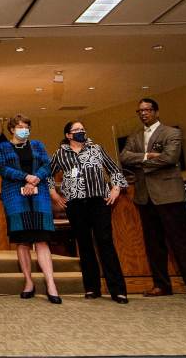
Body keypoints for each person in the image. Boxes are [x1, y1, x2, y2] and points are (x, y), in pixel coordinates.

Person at [120, 98, 186, 302]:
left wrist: (141, 162)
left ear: (156, 112)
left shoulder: (171, 132)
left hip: (169, 196)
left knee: (182, 242)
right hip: (145, 197)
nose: (144, 113)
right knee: (154, 244)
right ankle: (161, 285)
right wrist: (147, 156)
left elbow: (170, 158)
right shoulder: (134, 137)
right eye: (140, 110)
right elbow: (124, 157)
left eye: (148, 110)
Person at [49, 120, 129, 304]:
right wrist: (54, 195)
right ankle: (92, 288)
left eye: (83, 129)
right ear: (68, 135)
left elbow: (114, 170)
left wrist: (115, 189)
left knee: (105, 242)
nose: (81, 132)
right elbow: (47, 175)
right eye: (76, 130)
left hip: (98, 202)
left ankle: (118, 290)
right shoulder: (61, 153)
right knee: (84, 246)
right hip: (75, 205)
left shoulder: (96, 149)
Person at [0, 115, 60, 304]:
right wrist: (26, 177)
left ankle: (51, 284)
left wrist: (36, 178)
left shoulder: (38, 145)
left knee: (42, 239)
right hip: (15, 196)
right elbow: (3, 169)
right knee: (22, 241)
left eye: (27, 127)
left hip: (39, 196)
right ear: (12, 129)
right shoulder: (3, 147)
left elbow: (47, 165)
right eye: (21, 126)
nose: (24, 129)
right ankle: (29, 282)